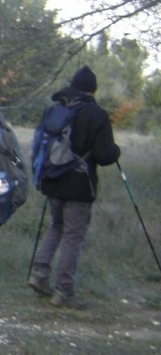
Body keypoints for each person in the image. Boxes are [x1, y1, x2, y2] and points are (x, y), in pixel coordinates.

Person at [28, 66, 120, 310]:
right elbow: (104, 155)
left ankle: (39, 274)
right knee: (73, 236)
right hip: (79, 185)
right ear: (93, 90)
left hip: (52, 180)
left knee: (55, 227)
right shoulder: (97, 114)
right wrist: (116, 151)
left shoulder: (55, 109)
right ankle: (64, 290)